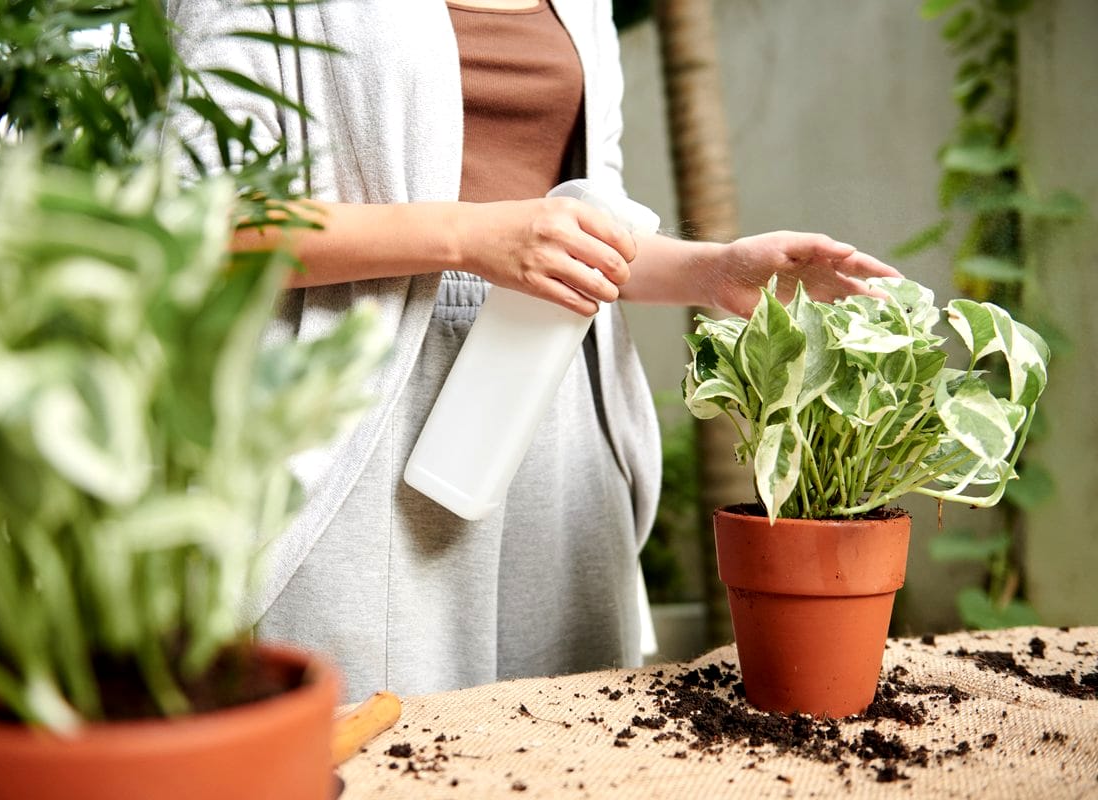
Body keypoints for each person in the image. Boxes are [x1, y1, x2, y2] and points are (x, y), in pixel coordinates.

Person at [167, 0, 902, 702]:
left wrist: (710, 272)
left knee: (568, 744)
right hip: (359, 418)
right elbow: (196, 214)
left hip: (553, 407)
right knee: (372, 743)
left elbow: (580, 231)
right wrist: (468, 236)